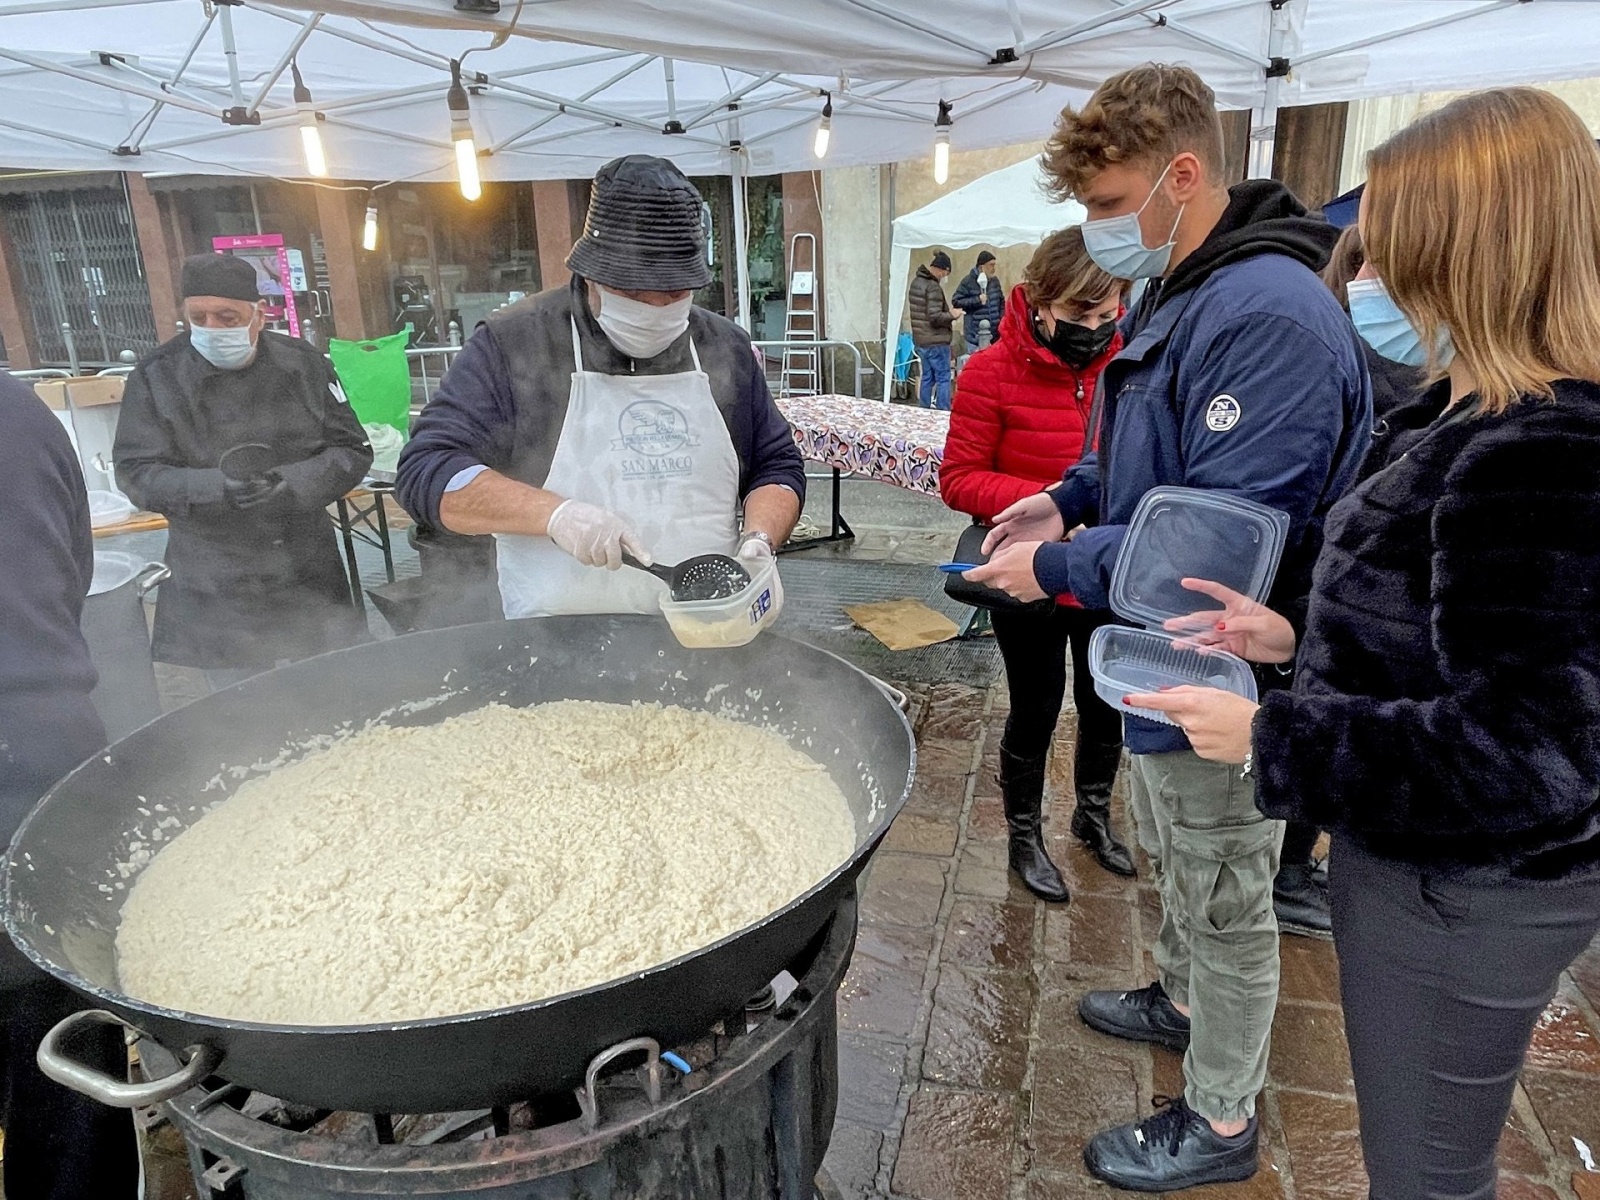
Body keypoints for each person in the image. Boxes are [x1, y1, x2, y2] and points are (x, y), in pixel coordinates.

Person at [1127, 87, 1600, 1200]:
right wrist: (1295, 636)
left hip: (1466, 890)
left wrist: (1271, 737)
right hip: (1427, 871)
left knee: (1424, 1170)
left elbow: (1531, 752)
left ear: (1471, 252)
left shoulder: (1543, 450)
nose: (1361, 278)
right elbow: (1448, 630)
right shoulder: (1470, 412)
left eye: (1386, 252)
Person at [966, 64, 1371, 1191]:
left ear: (1181, 176)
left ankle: (1222, 1117)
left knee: (1228, 886)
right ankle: (1181, 999)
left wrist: (1052, 567)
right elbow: (1136, 454)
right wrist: (1065, 499)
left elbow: (1216, 544)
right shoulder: (1180, 290)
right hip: (1158, 654)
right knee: (1179, 853)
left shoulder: (1267, 317)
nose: (1101, 229)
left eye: (1109, 203)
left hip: (1226, 665)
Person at [395, 155, 804, 617]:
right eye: (633, 292)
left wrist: (759, 540)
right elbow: (427, 471)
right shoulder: (513, 344)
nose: (656, 306)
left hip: (708, 625)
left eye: (674, 293)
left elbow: (776, 464)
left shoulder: (725, 347)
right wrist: (556, 515)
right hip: (557, 638)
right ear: (591, 273)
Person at [940, 227, 1134, 896]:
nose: (1096, 329)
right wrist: (1052, 503)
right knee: (1036, 703)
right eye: (1081, 313)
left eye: (1108, 313)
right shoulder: (989, 371)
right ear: (1041, 302)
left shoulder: (1130, 367)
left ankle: (1092, 815)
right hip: (1027, 569)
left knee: (1105, 701)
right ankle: (1023, 833)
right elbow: (959, 478)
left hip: (1106, 567)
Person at [0, 373, 139, 1198]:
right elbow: (70, 574)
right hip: (50, 775)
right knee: (62, 1058)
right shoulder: (19, 409)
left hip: (30, 773)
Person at [114, 254, 373, 690]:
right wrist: (215, 488)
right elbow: (135, 472)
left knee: (328, 691)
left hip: (304, 562)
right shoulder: (156, 376)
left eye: (227, 317)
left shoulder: (304, 365)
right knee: (239, 704)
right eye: (198, 318)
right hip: (215, 573)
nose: (211, 328)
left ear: (259, 315)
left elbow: (352, 449)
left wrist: (293, 482)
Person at [909, 250, 956, 409]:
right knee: (943, 377)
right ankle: (942, 411)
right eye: (946, 273)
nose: (945, 277)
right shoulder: (933, 287)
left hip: (921, 340)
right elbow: (935, 317)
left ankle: (924, 409)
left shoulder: (916, 282)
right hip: (936, 340)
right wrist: (952, 315)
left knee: (927, 377)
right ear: (942, 270)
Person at [952, 250, 1006, 356]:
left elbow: (1001, 302)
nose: (993, 268)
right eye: (991, 265)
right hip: (975, 336)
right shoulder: (968, 281)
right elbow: (956, 301)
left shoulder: (994, 281)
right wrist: (977, 300)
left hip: (995, 335)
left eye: (994, 265)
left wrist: (1002, 319)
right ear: (982, 267)